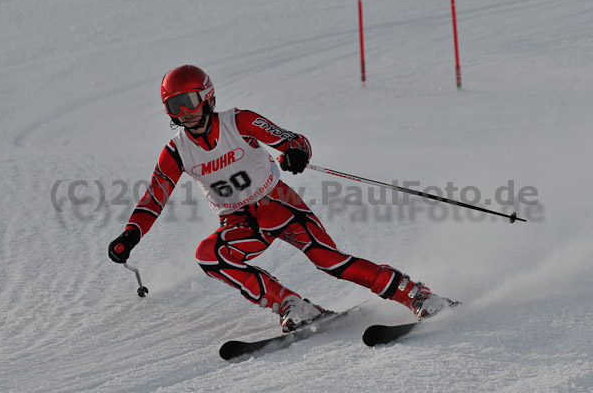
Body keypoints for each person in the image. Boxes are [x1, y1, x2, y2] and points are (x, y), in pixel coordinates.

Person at [108, 64, 457, 332]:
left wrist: (294, 152)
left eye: (189, 101)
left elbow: (292, 139)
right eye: (174, 106)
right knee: (210, 255)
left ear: (208, 97)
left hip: (278, 204)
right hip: (239, 221)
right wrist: (130, 234)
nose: (185, 113)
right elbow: (154, 198)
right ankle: (290, 304)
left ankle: (416, 294)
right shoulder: (177, 151)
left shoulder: (238, 121)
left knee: (329, 261)